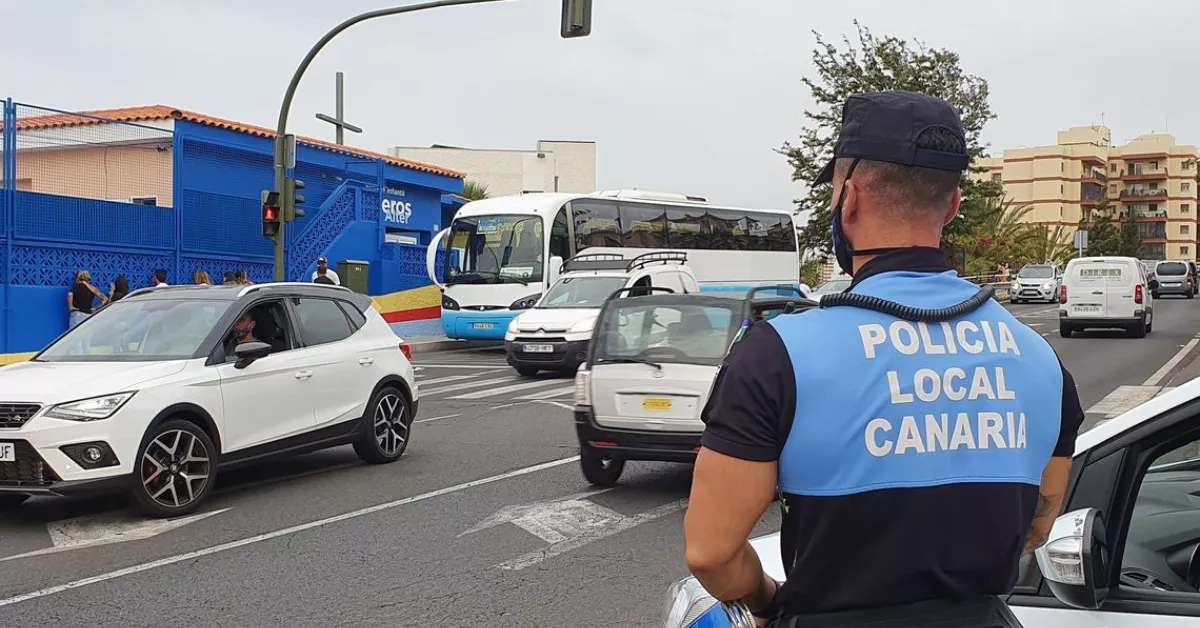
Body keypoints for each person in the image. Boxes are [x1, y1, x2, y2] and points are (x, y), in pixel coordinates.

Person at [683, 91, 1085, 628]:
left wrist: (768, 600)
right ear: (953, 205)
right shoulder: (1040, 360)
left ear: (847, 200)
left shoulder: (777, 354)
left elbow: (710, 552)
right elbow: (1039, 524)